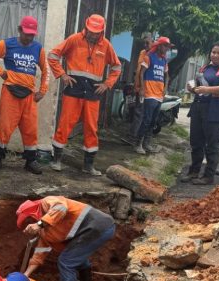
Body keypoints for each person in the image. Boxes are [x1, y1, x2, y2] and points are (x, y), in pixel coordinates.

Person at [48, 14, 122, 175]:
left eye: (96, 32)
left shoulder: (106, 45)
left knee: (91, 128)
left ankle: (88, 166)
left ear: (101, 31)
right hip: (73, 90)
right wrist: (62, 75)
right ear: (86, 27)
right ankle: (56, 160)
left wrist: (107, 84)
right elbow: (53, 55)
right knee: (65, 124)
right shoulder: (74, 39)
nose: (93, 34)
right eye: (90, 31)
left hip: (93, 93)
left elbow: (117, 67)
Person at [15, 196, 115, 281]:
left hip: (98, 225)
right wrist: (26, 275)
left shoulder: (46, 202)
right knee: (74, 256)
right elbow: (39, 254)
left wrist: (39, 224)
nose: (29, 225)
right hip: (90, 231)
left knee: (66, 261)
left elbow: (61, 207)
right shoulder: (45, 232)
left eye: (29, 220)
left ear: (33, 212)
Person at [0, 16, 49, 175]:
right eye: (26, 34)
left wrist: (43, 91)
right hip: (10, 92)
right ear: (20, 30)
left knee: (30, 129)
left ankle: (31, 161)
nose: (29, 37)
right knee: (4, 126)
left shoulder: (38, 48)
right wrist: (0, 72)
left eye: (32, 35)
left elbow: (46, 71)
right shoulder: (7, 44)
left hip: (29, 96)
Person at [181, 41, 219, 185]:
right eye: (213, 52)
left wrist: (207, 90)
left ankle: (208, 175)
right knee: (196, 142)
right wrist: (192, 88)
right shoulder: (205, 67)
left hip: (216, 110)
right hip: (199, 107)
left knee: (212, 145)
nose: (215, 55)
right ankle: (194, 171)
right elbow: (199, 85)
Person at [133, 36, 174, 155]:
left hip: (159, 94)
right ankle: (138, 144)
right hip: (149, 94)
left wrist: (165, 88)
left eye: (168, 47)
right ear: (159, 45)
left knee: (153, 120)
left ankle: (146, 143)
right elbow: (141, 73)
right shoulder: (148, 57)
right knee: (146, 119)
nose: (167, 49)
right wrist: (142, 88)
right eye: (165, 46)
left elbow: (167, 76)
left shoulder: (164, 60)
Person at [127, 31, 154, 143]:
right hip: (138, 88)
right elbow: (138, 71)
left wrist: (142, 88)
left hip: (146, 90)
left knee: (140, 114)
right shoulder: (143, 52)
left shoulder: (154, 55)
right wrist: (135, 85)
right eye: (144, 43)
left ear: (153, 42)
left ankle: (135, 138)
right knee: (136, 112)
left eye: (148, 43)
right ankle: (134, 136)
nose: (145, 45)